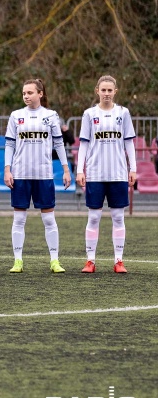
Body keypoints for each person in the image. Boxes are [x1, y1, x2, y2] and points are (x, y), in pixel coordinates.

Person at [4, 78, 72, 273]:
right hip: (21, 175)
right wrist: (8, 169)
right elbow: (10, 144)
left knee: (49, 220)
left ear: (40, 94)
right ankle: (18, 261)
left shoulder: (51, 116)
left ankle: (54, 261)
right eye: (24, 93)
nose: (26, 96)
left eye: (30, 92)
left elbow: (59, 144)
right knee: (19, 220)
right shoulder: (16, 116)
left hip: (44, 175)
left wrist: (66, 170)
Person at [76, 76, 136, 274]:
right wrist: (80, 169)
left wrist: (133, 168)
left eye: (110, 90)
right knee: (94, 217)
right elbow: (84, 143)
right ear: (97, 91)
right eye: (104, 90)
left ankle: (118, 260)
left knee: (118, 216)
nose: (107, 93)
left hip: (118, 173)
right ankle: (90, 261)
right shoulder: (89, 114)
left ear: (115, 91)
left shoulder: (123, 113)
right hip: (95, 173)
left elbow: (129, 143)